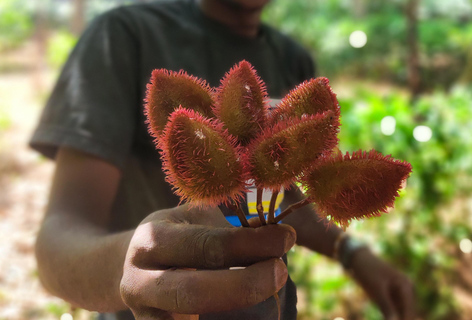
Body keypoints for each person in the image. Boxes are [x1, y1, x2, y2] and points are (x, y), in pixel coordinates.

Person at [30, 0, 415, 319]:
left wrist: (352, 252)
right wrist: (131, 263)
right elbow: (57, 243)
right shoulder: (125, 35)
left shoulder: (291, 57)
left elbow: (278, 196)